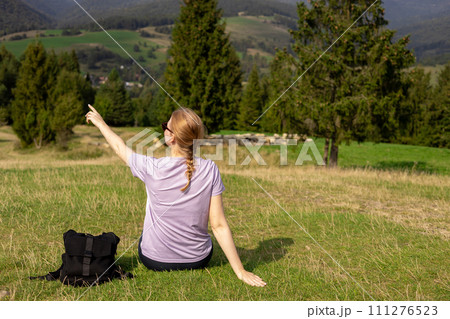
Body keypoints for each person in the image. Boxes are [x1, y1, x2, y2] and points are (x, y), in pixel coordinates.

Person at [85, 104, 266, 287]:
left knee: (145, 235)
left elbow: (119, 147)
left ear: (170, 137)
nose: (164, 129)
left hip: (154, 260)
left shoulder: (152, 168)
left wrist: (101, 123)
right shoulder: (210, 169)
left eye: (166, 126)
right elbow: (218, 225)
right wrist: (240, 271)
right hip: (198, 259)